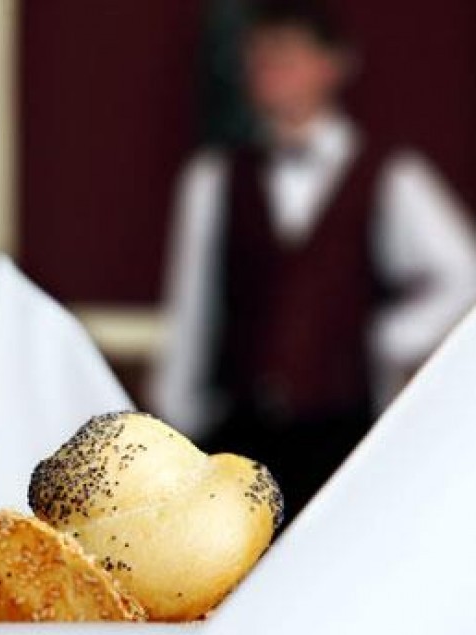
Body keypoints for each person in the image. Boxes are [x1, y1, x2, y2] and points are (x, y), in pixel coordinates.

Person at [152, 0, 476, 527]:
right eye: (260, 59)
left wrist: (383, 340)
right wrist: (176, 421)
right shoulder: (214, 178)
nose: (271, 72)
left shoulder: (389, 175)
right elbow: (193, 306)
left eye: (287, 56)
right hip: (239, 432)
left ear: (332, 65)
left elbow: (463, 274)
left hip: (344, 432)